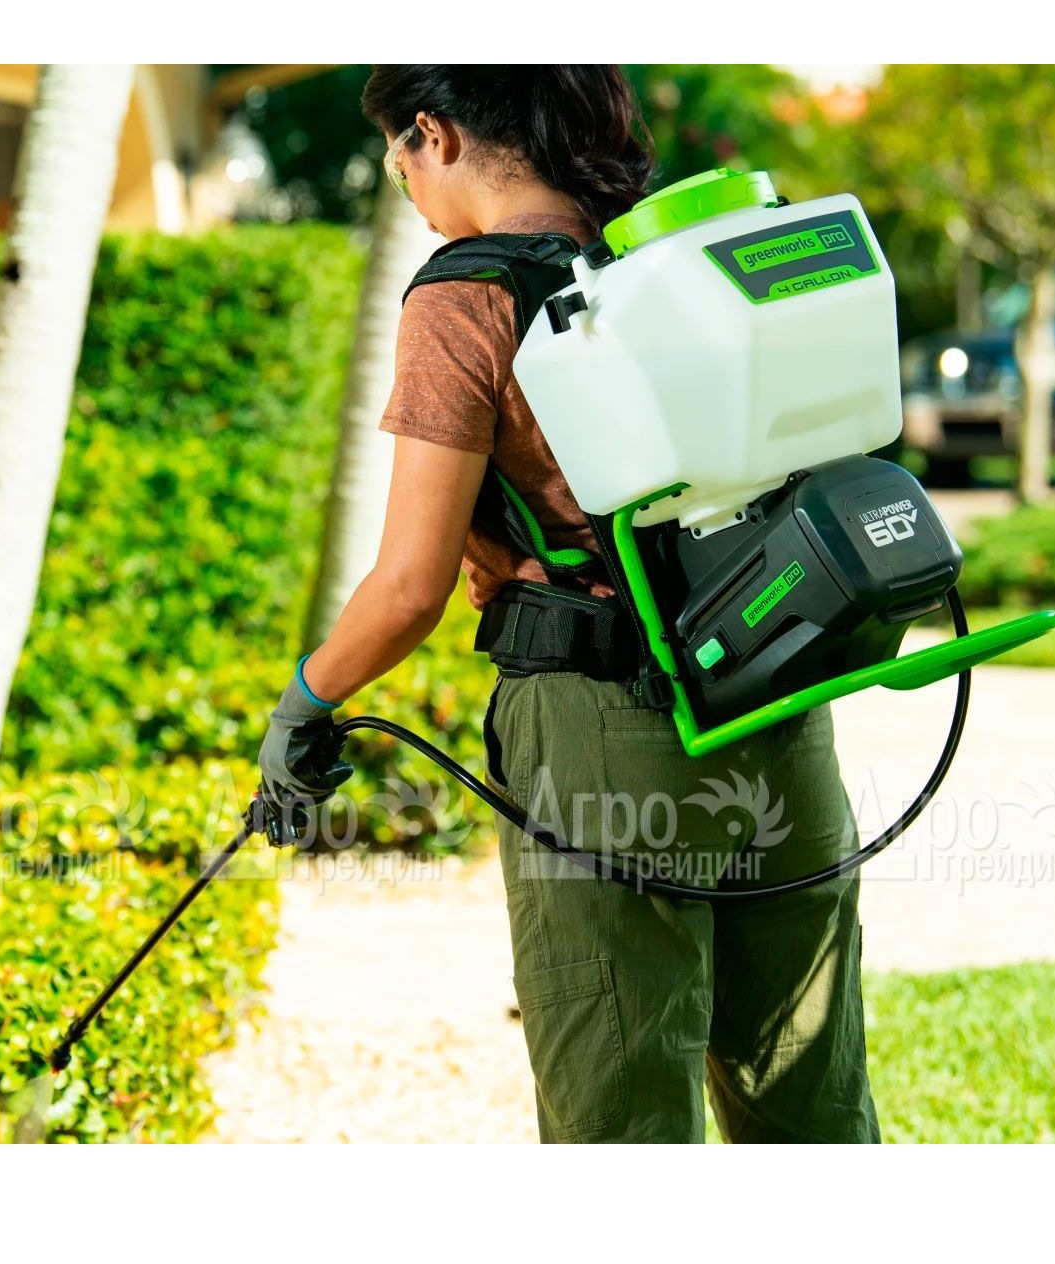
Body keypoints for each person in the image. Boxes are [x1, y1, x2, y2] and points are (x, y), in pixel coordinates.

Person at [260, 65, 880, 1144]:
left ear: (433, 134)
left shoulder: (466, 297)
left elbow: (407, 589)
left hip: (602, 733)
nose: (408, 187)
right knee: (811, 1109)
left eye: (399, 162)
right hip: (772, 686)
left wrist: (305, 702)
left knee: (620, 1117)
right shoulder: (666, 259)